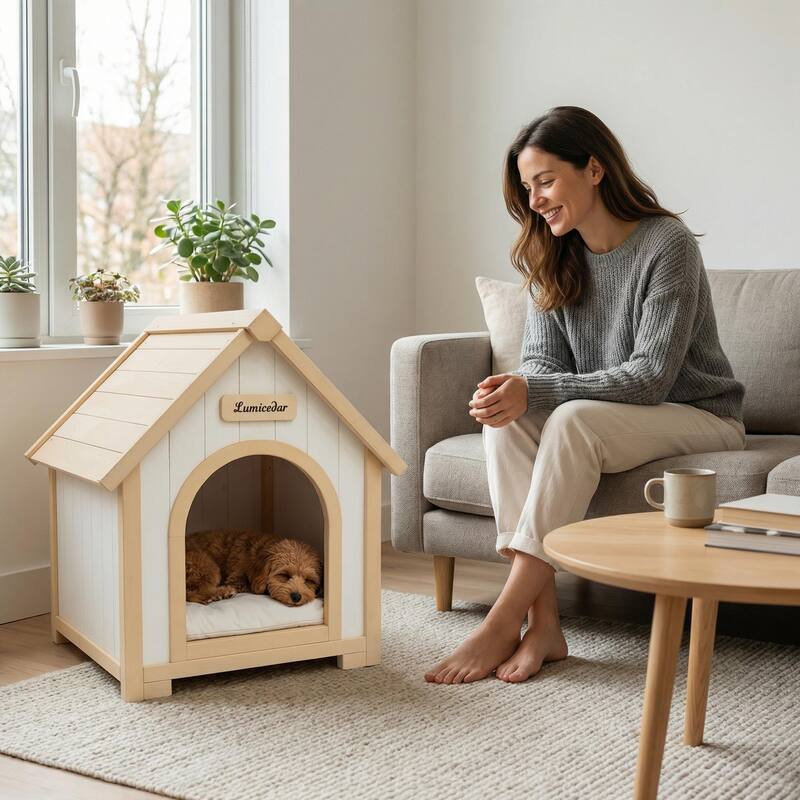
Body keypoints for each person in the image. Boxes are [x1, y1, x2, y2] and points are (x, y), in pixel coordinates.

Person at [424, 106, 745, 685]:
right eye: (528, 188)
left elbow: (649, 376)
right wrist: (514, 391)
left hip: (697, 413)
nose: (536, 199)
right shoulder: (552, 251)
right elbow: (543, 365)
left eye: (546, 181)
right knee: (507, 418)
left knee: (569, 419)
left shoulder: (665, 244)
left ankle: (502, 619)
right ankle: (545, 625)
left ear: (594, 169)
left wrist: (535, 387)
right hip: (610, 416)